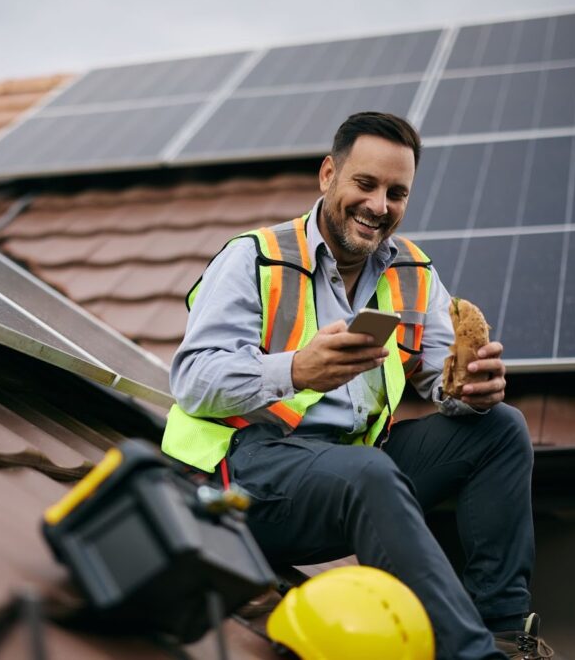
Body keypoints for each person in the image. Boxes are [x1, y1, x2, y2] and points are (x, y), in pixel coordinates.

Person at [162, 112, 553, 659]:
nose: (379, 205)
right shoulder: (254, 258)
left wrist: (469, 391)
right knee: (369, 469)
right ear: (328, 176)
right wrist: (295, 370)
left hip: (351, 478)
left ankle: (507, 633)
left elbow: (444, 380)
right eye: (365, 184)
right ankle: (467, 654)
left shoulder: (414, 273)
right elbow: (193, 380)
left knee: (502, 428)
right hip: (244, 484)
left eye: (397, 193)